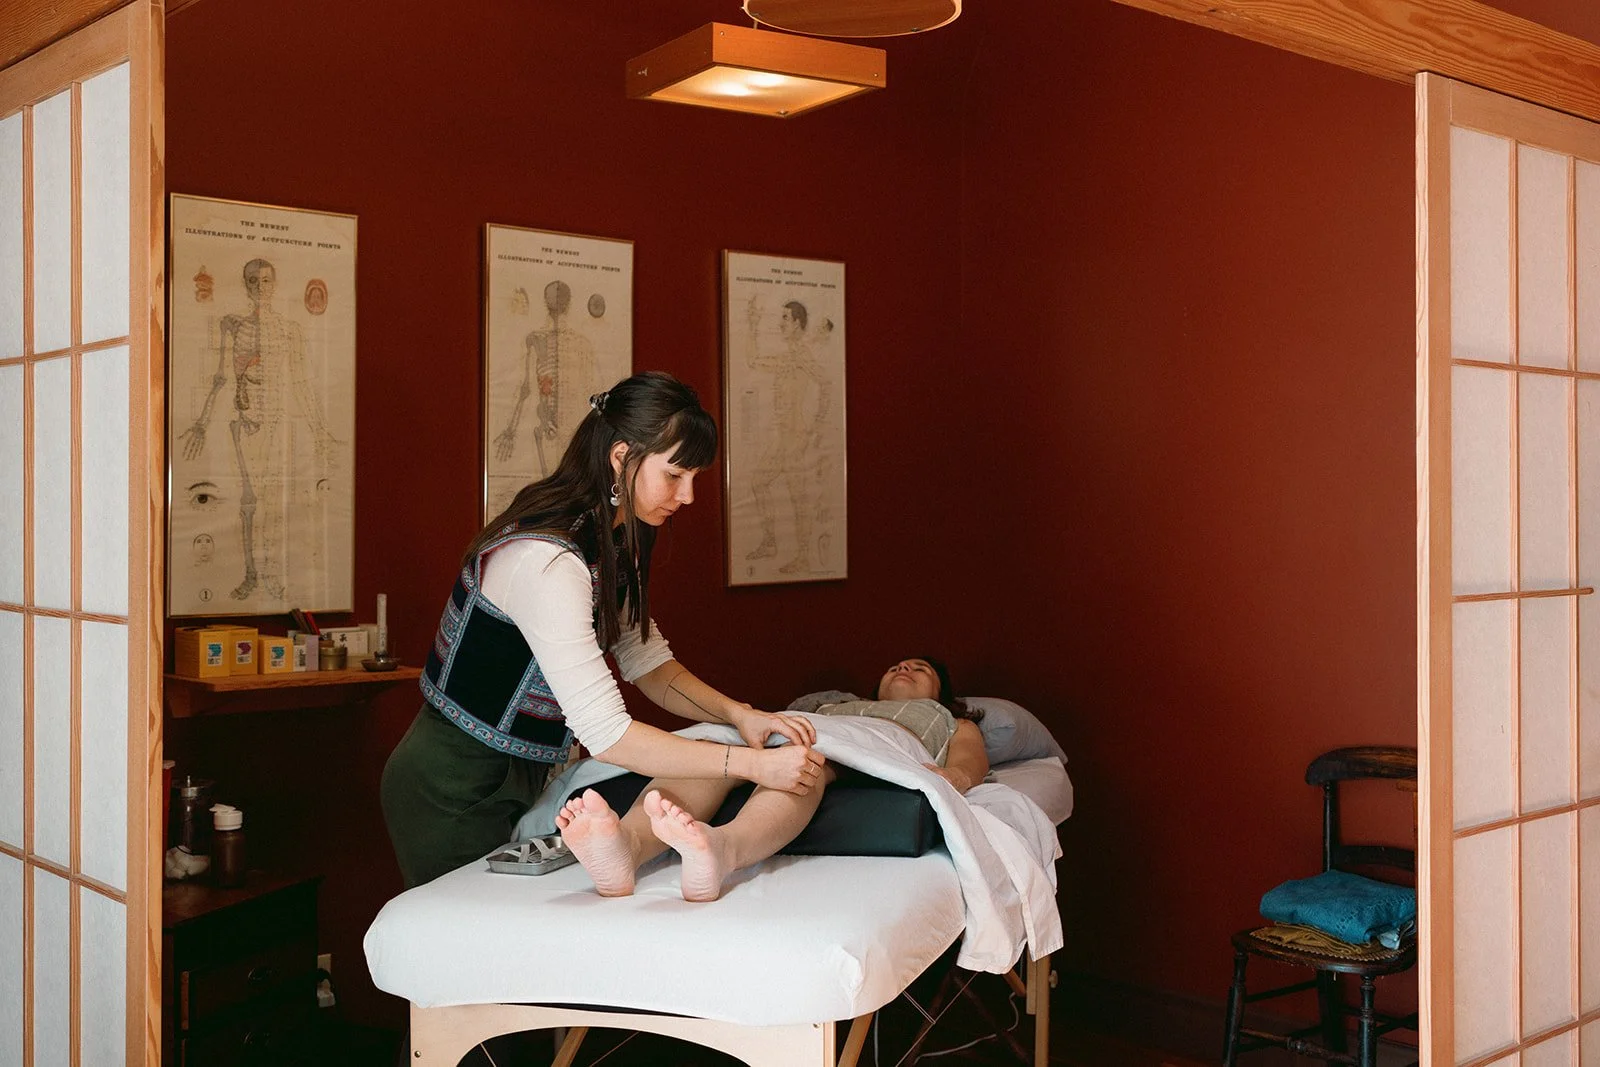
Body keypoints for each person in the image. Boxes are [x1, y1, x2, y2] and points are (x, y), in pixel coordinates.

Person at [381, 371, 825, 889]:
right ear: (621, 457)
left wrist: (738, 715)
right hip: (448, 787)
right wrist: (752, 767)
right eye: (676, 475)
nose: (688, 497)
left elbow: (647, 661)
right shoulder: (547, 559)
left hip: (525, 779)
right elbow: (607, 732)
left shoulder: (611, 538)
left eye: (695, 479)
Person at [555, 654, 988, 903]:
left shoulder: (947, 719)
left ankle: (725, 848)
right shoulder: (834, 703)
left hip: (874, 744)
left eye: (920, 669)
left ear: (941, 693)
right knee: (715, 754)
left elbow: (970, 764)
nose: (904, 668)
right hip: (801, 728)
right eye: (896, 665)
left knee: (807, 762)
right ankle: (627, 846)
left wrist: (953, 777)